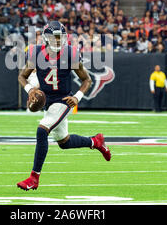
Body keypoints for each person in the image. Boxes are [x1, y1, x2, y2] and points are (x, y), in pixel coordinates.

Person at [16, 21, 111, 191]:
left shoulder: (70, 54)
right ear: (46, 38)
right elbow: (22, 76)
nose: (58, 41)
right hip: (48, 101)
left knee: (42, 130)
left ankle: (34, 178)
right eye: (54, 37)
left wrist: (77, 97)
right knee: (64, 142)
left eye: (60, 37)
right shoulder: (36, 53)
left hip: (63, 100)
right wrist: (30, 90)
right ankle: (96, 142)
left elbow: (86, 79)